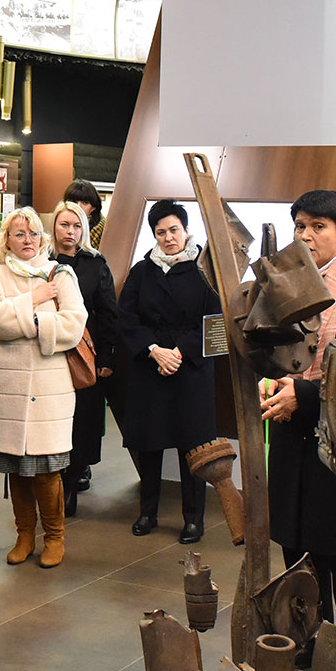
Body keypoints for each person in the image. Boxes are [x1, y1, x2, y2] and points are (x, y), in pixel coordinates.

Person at [260, 190, 336, 617]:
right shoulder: (288, 283)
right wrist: (271, 378)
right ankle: (306, 637)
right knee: (300, 565)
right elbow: (273, 349)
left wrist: (305, 394)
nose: (305, 235)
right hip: (293, 440)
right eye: (300, 226)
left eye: (318, 226)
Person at [0, 208, 88, 568]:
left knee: (47, 470)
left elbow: (73, 324)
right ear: (6, 240)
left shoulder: (61, 274)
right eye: (20, 234)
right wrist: (35, 300)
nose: (28, 240)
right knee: (16, 469)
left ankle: (54, 537)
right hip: (7, 386)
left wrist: (28, 321)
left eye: (34, 234)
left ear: (43, 239)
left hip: (50, 386)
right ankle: (24, 535)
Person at [118, 200, 220, 543]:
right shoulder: (141, 271)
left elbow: (215, 320)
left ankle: (193, 518)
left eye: (174, 229)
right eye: (160, 232)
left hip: (191, 368)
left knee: (194, 445)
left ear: (186, 230)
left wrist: (179, 352)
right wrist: (154, 350)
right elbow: (126, 317)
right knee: (149, 442)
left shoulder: (205, 269)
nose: (168, 237)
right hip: (151, 366)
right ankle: (147, 512)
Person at [49, 199, 119, 516]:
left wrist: (106, 358)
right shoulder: (41, 261)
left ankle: (72, 481)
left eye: (77, 225)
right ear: (54, 226)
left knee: (82, 422)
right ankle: (50, 481)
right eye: (65, 224)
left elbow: (108, 314)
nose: (71, 231)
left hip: (84, 354)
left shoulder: (95, 264)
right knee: (51, 420)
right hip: (47, 352)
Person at [62, 179, 106, 249]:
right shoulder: (59, 224)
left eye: (85, 203)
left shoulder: (103, 231)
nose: (78, 206)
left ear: (93, 208)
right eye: (73, 202)